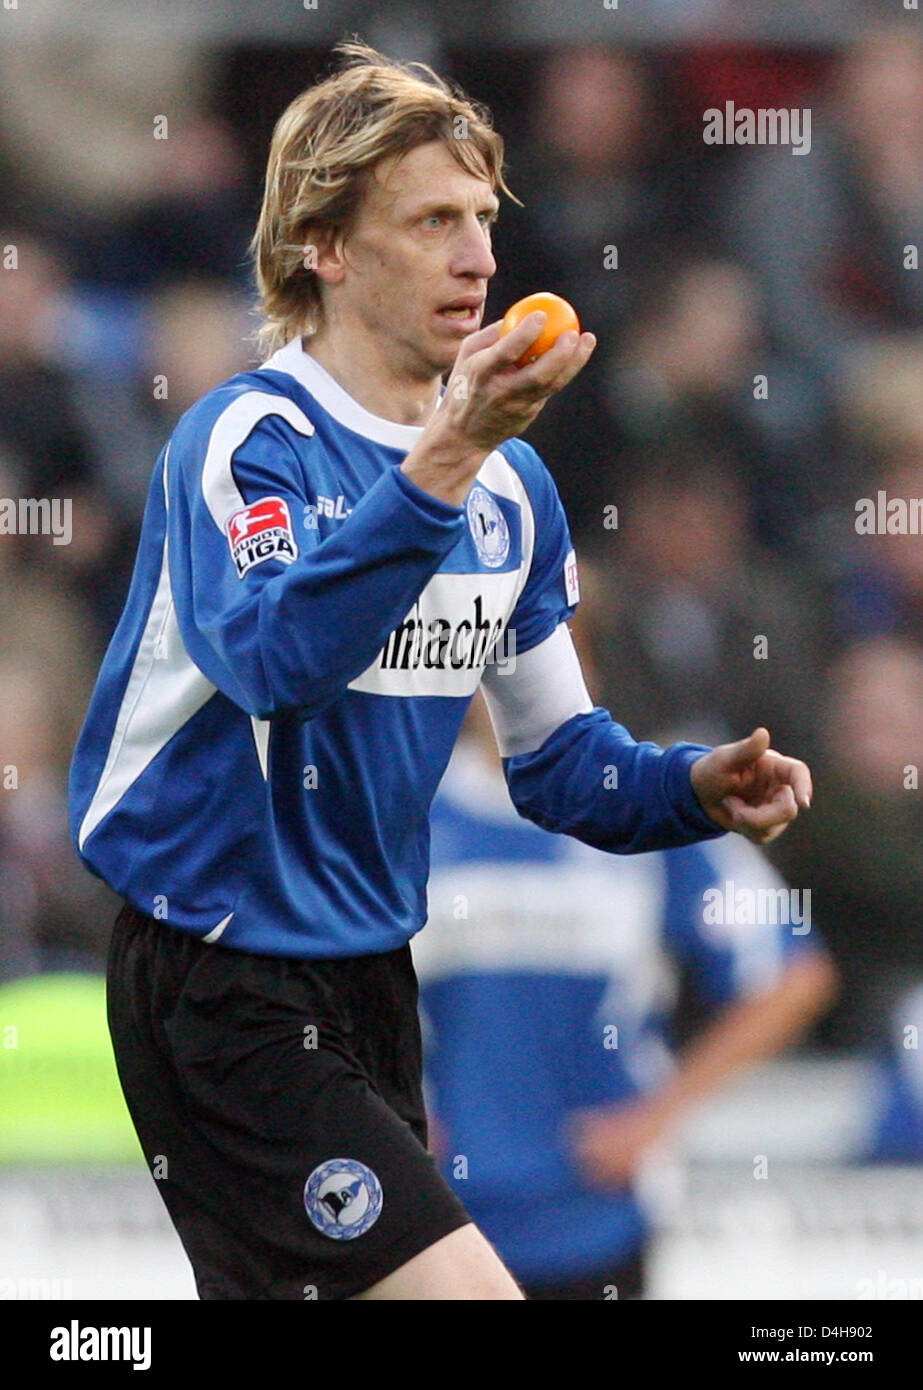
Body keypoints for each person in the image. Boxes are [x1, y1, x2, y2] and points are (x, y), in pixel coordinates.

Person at [68, 42, 812, 1302]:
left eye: (481, 218)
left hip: (372, 971)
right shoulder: (253, 439)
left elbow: (557, 765)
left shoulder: (512, 484)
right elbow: (273, 660)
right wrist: (443, 461)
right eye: (429, 220)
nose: (476, 255)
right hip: (222, 967)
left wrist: (690, 788)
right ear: (326, 247)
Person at [414, 692, 836, 1299]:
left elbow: (793, 977)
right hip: (438, 1220)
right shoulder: (408, 810)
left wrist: (654, 1120)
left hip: (599, 1215)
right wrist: (386, 1105)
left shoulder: (639, 806)